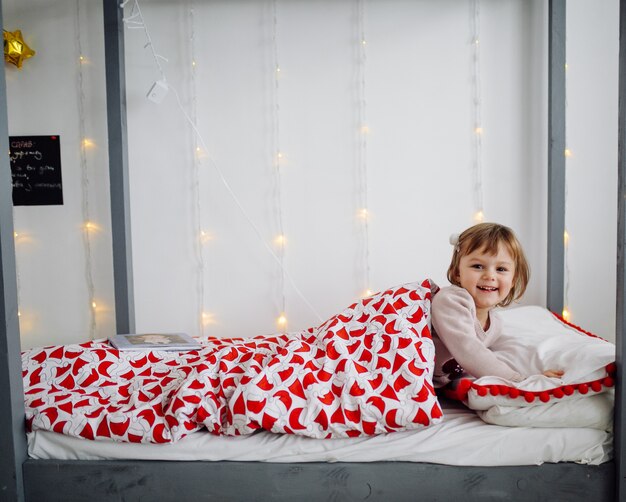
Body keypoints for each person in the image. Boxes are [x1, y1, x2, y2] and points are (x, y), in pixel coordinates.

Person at [431, 222, 564, 388]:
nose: (489, 275)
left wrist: (532, 375)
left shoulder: (496, 325)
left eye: (501, 269)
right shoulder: (451, 301)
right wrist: (519, 380)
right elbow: (469, 351)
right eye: (478, 266)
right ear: (457, 272)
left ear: (513, 279)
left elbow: (490, 360)